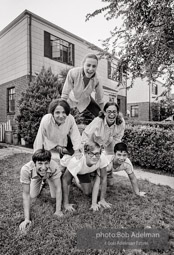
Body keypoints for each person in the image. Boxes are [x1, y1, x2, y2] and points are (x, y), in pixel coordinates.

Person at [19, 148, 63, 233]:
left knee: (54, 196)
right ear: (34, 163)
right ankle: (42, 182)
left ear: (49, 162)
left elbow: (58, 189)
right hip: (36, 177)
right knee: (32, 195)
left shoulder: (54, 166)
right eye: (40, 163)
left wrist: (58, 211)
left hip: (50, 176)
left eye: (46, 163)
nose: (43, 167)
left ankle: (47, 180)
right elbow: (26, 194)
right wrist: (27, 219)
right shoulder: (25, 169)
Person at [82, 101, 125, 185]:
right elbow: (86, 134)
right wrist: (86, 152)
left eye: (114, 112)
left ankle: (107, 171)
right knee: (91, 183)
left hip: (107, 144)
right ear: (104, 113)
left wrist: (111, 158)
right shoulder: (98, 121)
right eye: (109, 112)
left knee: (110, 183)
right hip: (93, 144)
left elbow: (117, 139)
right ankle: (88, 172)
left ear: (117, 113)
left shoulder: (121, 122)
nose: (112, 114)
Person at [61, 141, 111, 212]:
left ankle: (76, 180)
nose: (94, 157)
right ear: (85, 153)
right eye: (91, 154)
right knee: (64, 180)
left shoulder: (101, 157)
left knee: (87, 192)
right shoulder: (76, 161)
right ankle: (72, 175)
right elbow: (65, 180)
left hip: (83, 172)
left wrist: (102, 199)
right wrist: (66, 204)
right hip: (70, 167)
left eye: (97, 154)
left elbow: (104, 177)